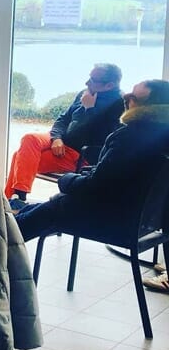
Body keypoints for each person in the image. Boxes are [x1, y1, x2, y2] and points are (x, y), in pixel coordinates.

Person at [16, 79, 169, 247]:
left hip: (115, 219)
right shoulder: (161, 134)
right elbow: (116, 175)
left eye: (133, 97)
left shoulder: (129, 136)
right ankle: (5, 228)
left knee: (55, 205)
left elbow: (95, 187)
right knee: (38, 209)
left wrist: (66, 179)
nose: (126, 98)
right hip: (142, 218)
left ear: (151, 107)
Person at [5, 63, 124, 205]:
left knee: (19, 156)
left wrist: (87, 109)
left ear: (109, 85)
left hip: (80, 154)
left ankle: (12, 200)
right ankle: (16, 200)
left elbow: (94, 134)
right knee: (29, 139)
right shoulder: (85, 93)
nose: (87, 82)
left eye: (92, 80)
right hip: (61, 141)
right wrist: (56, 138)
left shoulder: (119, 104)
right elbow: (62, 120)